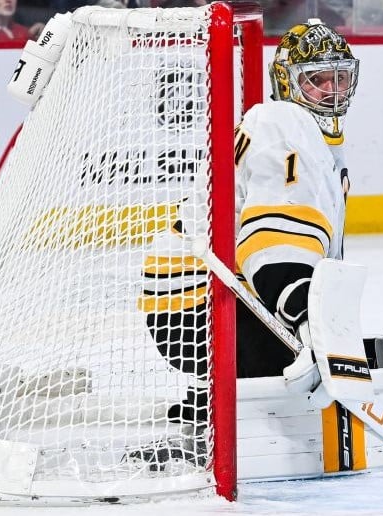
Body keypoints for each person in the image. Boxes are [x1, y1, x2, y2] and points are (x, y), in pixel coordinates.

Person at [143, 19, 359, 448]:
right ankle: (235, 395)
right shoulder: (284, 123)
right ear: (288, 83)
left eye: (341, 77)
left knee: (343, 351)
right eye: (317, 80)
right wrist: (304, 319)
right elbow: (269, 244)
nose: (332, 90)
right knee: (325, 365)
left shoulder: (308, 133)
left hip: (189, 303)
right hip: (201, 309)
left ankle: (217, 391)